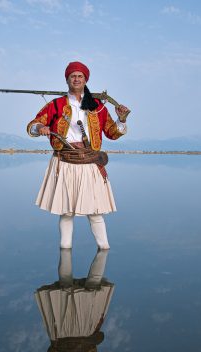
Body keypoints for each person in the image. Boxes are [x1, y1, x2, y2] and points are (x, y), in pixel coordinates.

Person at [27, 61, 130, 250]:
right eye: (72, 75)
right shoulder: (56, 105)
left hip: (90, 163)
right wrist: (40, 127)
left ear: (85, 80)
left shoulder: (97, 106)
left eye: (80, 76)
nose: (76, 78)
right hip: (64, 161)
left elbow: (113, 133)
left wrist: (121, 119)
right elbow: (33, 124)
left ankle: (104, 248)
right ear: (67, 79)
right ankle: (65, 251)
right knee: (66, 212)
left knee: (96, 212)